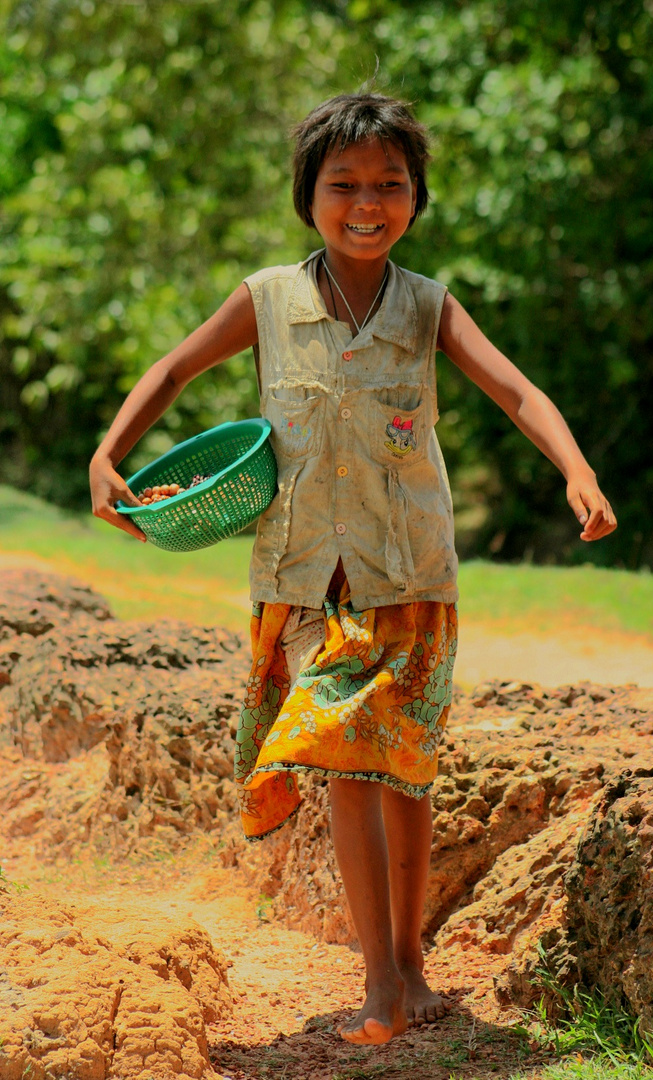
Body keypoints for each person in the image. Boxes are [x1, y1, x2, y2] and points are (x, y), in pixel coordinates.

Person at [89, 90, 616, 1048]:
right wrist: (108, 454)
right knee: (350, 770)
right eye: (345, 185)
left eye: (390, 184)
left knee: (402, 774)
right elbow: (171, 371)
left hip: (410, 579)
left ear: (415, 197)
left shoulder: (427, 306)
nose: (367, 202)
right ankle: (379, 982)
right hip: (303, 584)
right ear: (308, 196)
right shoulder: (265, 302)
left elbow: (514, 388)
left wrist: (576, 471)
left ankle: (410, 965)